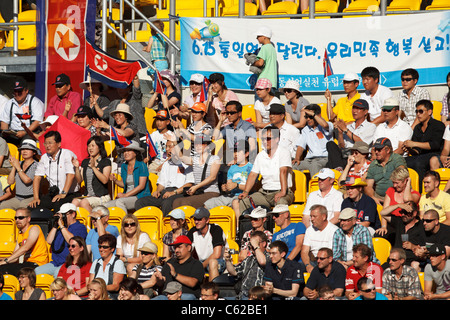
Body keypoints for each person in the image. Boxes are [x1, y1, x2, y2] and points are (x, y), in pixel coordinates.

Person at [238, 125, 294, 215]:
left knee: (281, 204)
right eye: (263, 139)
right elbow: (253, 174)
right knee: (244, 201)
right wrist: (245, 192)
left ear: (277, 139)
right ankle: (247, 227)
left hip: (282, 191)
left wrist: (283, 192)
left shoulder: (284, 152)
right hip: (264, 193)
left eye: (268, 139)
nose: (264, 141)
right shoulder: (260, 155)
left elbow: (283, 171)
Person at [135, 139, 194, 216]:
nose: (166, 149)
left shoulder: (187, 163)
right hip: (166, 192)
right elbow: (162, 183)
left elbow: (189, 184)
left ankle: (166, 226)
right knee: (140, 202)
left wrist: (173, 192)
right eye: (166, 147)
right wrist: (157, 191)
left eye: (170, 146)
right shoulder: (166, 164)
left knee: (167, 203)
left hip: (180, 192)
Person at [28, 130, 80, 213]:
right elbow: (37, 178)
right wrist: (36, 198)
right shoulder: (44, 157)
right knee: (32, 207)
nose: (47, 146)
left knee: (58, 206)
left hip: (69, 193)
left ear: (59, 144)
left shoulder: (67, 154)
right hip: (53, 193)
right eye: (45, 143)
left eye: (50, 143)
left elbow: (70, 175)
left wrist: (63, 193)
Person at [204, 139, 253, 222]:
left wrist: (236, 185)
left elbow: (252, 187)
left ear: (246, 153)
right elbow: (229, 184)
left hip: (244, 196)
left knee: (235, 202)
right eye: (234, 151)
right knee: (207, 204)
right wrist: (225, 188)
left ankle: (238, 230)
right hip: (230, 196)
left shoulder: (251, 167)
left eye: (239, 151)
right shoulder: (232, 168)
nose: (236, 154)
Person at [34, 203, 88, 278]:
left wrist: (62, 226)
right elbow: (49, 241)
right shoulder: (60, 229)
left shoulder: (80, 227)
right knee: (36, 272)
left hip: (69, 263)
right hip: (55, 263)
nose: (63, 217)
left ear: (73, 214)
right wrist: (56, 226)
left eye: (65, 214)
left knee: (57, 274)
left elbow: (72, 241)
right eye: (62, 214)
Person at [171, 134, 221, 209]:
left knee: (186, 202)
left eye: (201, 144)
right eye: (196, 144)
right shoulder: (195, 159)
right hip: (199, 192)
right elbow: (181, 158)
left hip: (211, 192)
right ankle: (176, 220)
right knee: (176, 201)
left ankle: (186, 220)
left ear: (208, 146)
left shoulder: (215, 159)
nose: (198, 146)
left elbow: (212, 177)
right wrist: (175, 142)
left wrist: (196, 187)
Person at [404, 99, 446, 188]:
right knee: (402, 161)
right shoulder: (417, 128)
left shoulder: (438, 125)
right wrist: (409, 149)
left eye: (421, 111)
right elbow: (417, 151)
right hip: (421, 156)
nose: (418, 114)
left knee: (419, 163)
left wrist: (414, 143)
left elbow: (435, 145)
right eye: (416, 111)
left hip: (435, 154)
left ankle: (420, 192)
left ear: (429, 112)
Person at [327, 99, 375, 171]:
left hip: (358, 155)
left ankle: (339, 169)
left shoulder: (371, 126)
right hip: (346, 154)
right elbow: (342, 146)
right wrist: (340, 132)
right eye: (354, 108)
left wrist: (345, 130)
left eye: (358, 108)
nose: (354, 111)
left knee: (328, 164)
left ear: (365, 111)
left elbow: (362, 144)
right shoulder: (349, 127)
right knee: (330, 144)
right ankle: (339, 168)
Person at [105, 141, 151, 214]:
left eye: (129, 150)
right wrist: (115, 180)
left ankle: (126, 223)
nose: (126, 153)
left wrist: (125, 195)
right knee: (105, 206)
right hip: (127, 197)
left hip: (140, 197)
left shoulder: (142, 165)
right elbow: (123, 184)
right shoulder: (124, 166)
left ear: (135, 153)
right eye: (124, 151)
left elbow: (141, 186)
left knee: (120, 202)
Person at [0, 207, 49, 276]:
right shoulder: (20, 235)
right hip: (27, 264)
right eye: (16, 218)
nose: (17, 220)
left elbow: (25, 248)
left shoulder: (34, 228)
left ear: (28, 219)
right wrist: (2, 260)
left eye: (20, 217)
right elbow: (15, 257)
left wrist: (5, 261)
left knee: (3, 269)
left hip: (37, 264)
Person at [379, 201, 426, 271]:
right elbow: (383, 213)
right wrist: (398, 205)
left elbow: (424, 250)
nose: (403, 214)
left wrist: (412, 247)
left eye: (406, 212)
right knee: (378, 270)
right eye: (402, 212)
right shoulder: (399, 222)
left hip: (409, 261)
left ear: (415, 213)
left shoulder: (422, 226)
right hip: (394, 260)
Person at [378, 167, 421, 241]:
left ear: (405, 181)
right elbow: (384, 211)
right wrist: (384, 226)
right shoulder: (390, 190)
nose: (394, 185)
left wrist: (408, 184)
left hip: (406, 222)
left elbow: (407, 199)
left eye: (397, 183)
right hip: (392, 221)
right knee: (380, 235)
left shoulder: (415, 194)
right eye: (393, 182)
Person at [155, 235, 205, 300]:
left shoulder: (196, 264)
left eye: (179, 247)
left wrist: (175, 274)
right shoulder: (170, 262)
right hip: (166, 296)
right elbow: (161, 283)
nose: (176, 250)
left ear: (189, 248)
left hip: (184, 296)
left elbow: (193, 283)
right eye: (175, 247)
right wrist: (159, 279)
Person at [224, 230, 270, 300]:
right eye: (250, 244)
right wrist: (227, 260)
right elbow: (234, 272)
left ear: (264, 244)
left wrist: (256, 246)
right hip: (242, 295)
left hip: (257, 296)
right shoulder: (248, 259)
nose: (252, 247)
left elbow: (262, 262)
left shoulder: (270, 257)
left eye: (255, 243)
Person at [71, 135, 112, 213]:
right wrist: (76, 168)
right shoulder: (85, 162)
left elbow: (105, 180)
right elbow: (79, 180)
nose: (90, 148)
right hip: (88, 196)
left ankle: (94, 222)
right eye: (89, 146)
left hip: (101, 197)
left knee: (84, 202)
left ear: (99, 147)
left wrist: (93, 167)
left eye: (93, 146)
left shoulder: (105, 161)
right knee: (74, 202)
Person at [211, 100, 257, 166]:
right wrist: (220, 121)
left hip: (244, 162)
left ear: (239, 113)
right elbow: (215, 137)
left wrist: (237, 160)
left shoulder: (248, 127)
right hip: (231, 160)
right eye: (227, 113)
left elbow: (252, 149)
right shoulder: (228, 127)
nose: (229, 115)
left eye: (232, 113)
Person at [292, 103, 333, 176]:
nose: (308, 119)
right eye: (306, 117)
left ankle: (315, 187)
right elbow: (301, 146)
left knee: (315, 165)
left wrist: (313, 114)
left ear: (318, 115)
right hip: (309, 160)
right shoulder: (305, 129)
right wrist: (297, 158)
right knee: (293, 166)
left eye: (310, 116)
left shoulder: (328, 125)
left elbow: (325, 125)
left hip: (325, 159)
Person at [186, 207, 226, 282]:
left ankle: (211, 291)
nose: (196, 222)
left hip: (218, 261)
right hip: (201, 262)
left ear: (207, 220)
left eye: (199, 219)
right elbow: (186, 249)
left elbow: (216, 255)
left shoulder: (216, 229)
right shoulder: (193, 231)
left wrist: (200, 267)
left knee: (212, 263)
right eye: (195, 219)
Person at [0, 78, 44, 145]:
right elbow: (4, 121)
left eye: (19, 91)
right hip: (13, 133)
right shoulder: (9, 103)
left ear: (26, 91)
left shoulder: (35, 102)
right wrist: (5, 132)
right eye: (15, 91)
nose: (17, 94)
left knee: (26, 143)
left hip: (30, 132)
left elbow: (37, 121)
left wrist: (25, 132)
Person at [365, 137, 407, 205]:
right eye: (375, 149)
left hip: (397, 195)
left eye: (379, 150)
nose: (376, 152)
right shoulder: (373, 164)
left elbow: (401, 174)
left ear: (387, 150)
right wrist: (373, 197)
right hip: (378, 198)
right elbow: (368, 186)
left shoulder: (397, 159)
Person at [301, 205, 339, 273]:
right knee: (295, 267)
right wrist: (308, 265)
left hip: (326, 261)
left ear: (323, 217)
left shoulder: (334, 231)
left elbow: (330, 253)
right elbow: (304, 251)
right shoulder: (309, 230)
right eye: (311, 216)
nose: (311, 219)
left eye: (314, 216)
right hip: (312, 261)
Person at [89, 233, 127, 299]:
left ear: (112, 249)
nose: (101, 249)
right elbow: (90, 284)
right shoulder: (96, 262)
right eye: (100, 247)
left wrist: (99, 289)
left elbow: (116, 286)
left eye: (105, 247)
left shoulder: (118, 263)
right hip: (95, 295)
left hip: (110, 296)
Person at [146, 109, 175, 174]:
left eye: (161, 120)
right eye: (157, 120)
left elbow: (172, 155)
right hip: (155, 163)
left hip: (167, 163)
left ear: (167, 122)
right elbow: (149, 150)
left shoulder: (171, 135)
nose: (158, 123)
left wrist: (162, 166)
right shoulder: (153, 134)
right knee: (148, 175)